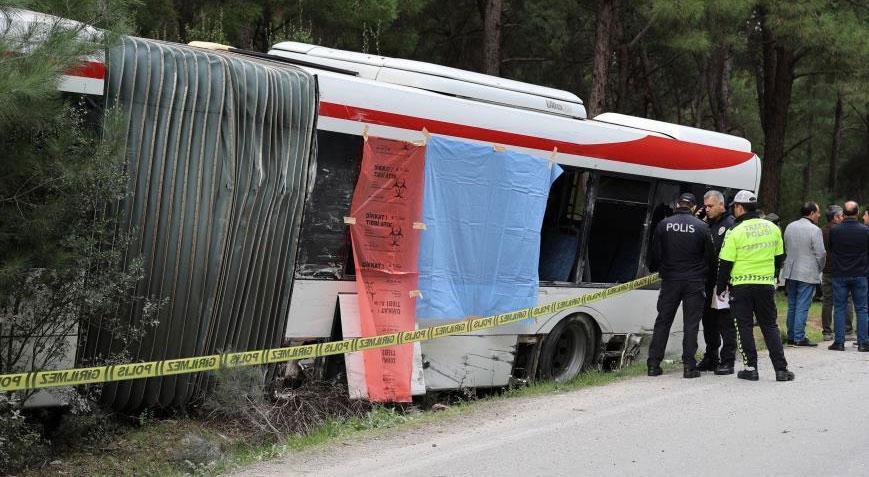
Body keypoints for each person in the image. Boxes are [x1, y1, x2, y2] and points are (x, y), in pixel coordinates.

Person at [716, 190, 794, 381]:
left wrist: (720, 287)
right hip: (765, 285)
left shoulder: (734, 230)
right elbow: (779, 257)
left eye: (734, 206)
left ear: (739, 207)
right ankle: (781, 370)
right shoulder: (772, 228)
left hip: (741, 286)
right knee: (770, 326)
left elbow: (725, 263)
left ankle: (751, 369)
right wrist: (773, 276)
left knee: (744, 327)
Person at [647, 193, 714, 378]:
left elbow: (655, 255)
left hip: (670, 280)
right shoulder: (702, 227)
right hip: (694, 282)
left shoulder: (663, 224)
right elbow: (710, 256)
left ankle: (653, 365)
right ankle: (689, 367)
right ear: (693, 207)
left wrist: (660, 269)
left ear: (678, 204)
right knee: (691, 324)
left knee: (663, 322)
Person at [696, 190, 737, 374]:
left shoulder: (730, 224)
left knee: (724, 321)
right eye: (705, 206)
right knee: (708, 321)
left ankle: (728, 358)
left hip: (723, 281)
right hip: (707, 280)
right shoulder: (708, 224)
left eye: (711, 206)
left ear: (721, 205)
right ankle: (711, 356)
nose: (708, 209)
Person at [781, 202, 825, 347]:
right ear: (812, 213)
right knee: (802, 305)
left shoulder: (790, 226)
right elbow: (821, 253)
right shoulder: (815, 230)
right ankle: (799, 337)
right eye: (818, 212)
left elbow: (787, 246)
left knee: (792, 305)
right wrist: (820, 267)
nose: (819, 215)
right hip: (807, 272)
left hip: (791, 271)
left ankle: (792, 336)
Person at [827, 201, 869, 351]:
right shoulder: (865, 230)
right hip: (860, 273)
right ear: (857, 213)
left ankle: (839, 342)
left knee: (839, 308)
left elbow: (831, 249)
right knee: (862, 308)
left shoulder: (835, 230)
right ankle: (863, 342)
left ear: (843, 214)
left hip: (840, 273)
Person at [821, 205, 854, 340]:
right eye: (841, 215)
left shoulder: (821, 231)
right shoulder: (843, 230)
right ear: (835, 217)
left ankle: (827, 332)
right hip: (842, 270)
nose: (844, 217)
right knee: (846, 300)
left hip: (827, 270)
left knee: (827, 301)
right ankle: (846, 330)